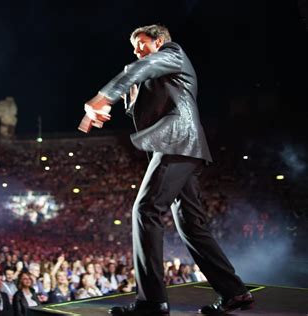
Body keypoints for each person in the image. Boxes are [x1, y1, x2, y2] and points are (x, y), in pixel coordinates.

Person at [81, 24, 254, 315]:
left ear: (159, 41)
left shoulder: (174, 53)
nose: (136, 50)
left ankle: (152, 301)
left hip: (178, 143)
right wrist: (114, 106)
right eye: (134, 46)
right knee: (191, 223)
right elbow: (144, 90)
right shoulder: (156, 70)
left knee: (145, 209)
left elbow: (139, 69)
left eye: (141, 43)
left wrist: (100, 99)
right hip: (181, 146)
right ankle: (234, 292)